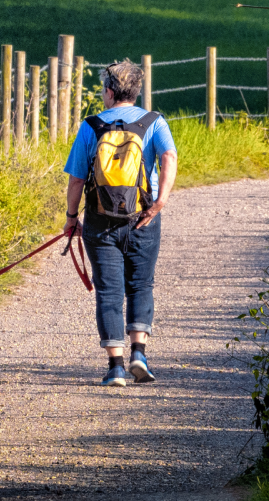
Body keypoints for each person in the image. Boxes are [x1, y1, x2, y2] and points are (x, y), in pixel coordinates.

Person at [61, 59, 178, 387]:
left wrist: (72, 219)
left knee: (109, 291)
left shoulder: (92, 126)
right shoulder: (154, 121)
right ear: (136, 91)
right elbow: (169, 157)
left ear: (110, 92)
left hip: (100, 221)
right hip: (144, 217)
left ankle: (115, 367)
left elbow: (75, 181)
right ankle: (139, 353)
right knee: (141, 284)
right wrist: (160, 201)